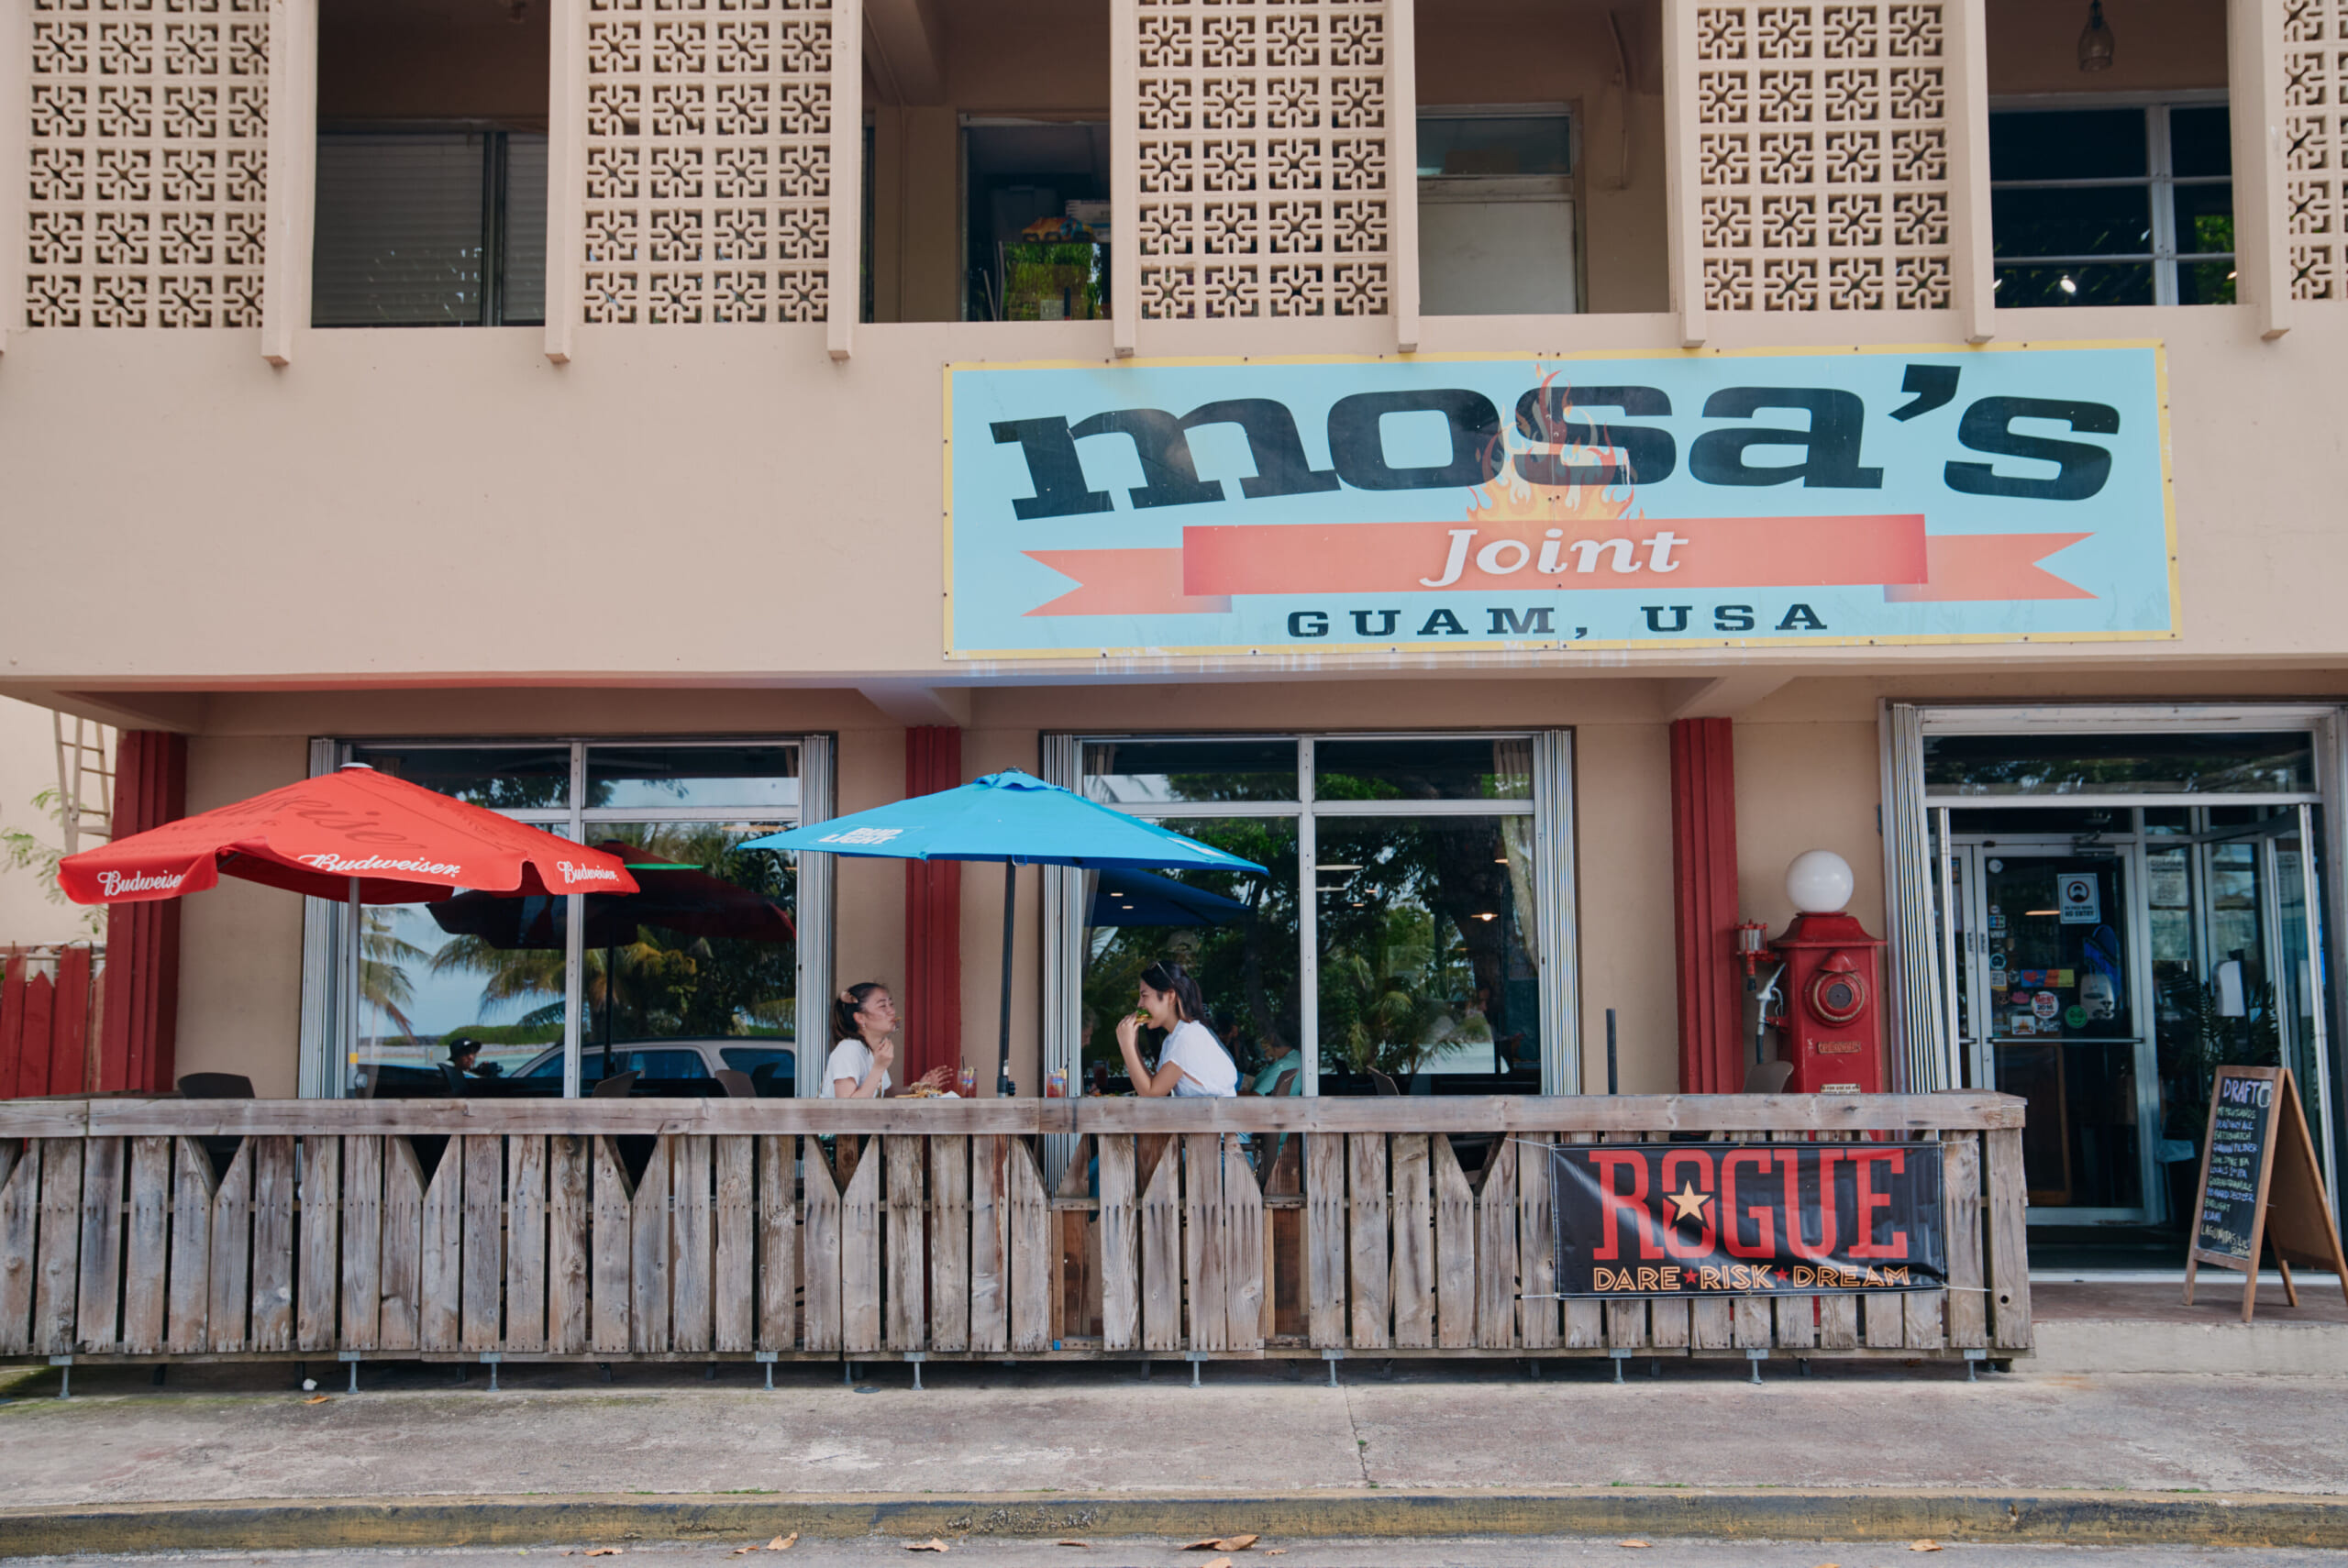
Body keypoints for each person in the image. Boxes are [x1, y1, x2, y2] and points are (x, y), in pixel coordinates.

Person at [1113, 960, 1238, 1097]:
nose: (1139, 1005)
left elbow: (1151, 1095)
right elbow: (1155, 1088)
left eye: (1144, 996)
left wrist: (1128, 1044)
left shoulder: (1187, 1037)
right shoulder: (1174, 1039)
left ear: (1170, 996)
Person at [823, 981, 953, 1099]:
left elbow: (887, 1093)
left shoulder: (871, 1049)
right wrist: (878, 1067)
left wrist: (919, 1087)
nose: (892, 1011)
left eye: (891, 1004)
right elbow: (846, 1108)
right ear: (860, 1018)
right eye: (882, 1006)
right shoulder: (848, 1050)